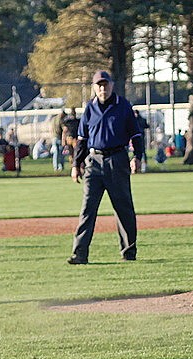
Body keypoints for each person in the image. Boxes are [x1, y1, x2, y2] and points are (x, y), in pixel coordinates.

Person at [67, 70, 143, 265]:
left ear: (111, 85)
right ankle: (79, 254)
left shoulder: (123, 106)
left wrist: (138, 157)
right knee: (88, 209)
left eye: (105, 84)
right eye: (99, 85)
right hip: (94, 162)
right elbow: (82, 141)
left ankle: (129, 251)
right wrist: (76, 164)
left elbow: (135, 135)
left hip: (117, 159)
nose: (103, 88)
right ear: (94, 87)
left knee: (123, 207)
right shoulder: (89, 109)